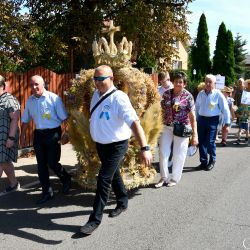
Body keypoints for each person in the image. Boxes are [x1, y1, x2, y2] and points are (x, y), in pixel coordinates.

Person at [79, 65, 152, 235]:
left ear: (111, 78)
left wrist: (145, 147)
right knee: (114, 175)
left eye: (100, 79)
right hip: (101, 145)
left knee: (104, 179)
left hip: (117, 145)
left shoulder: (119, 98)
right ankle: (123, 200)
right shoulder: (96, 95)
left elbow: (134, 123)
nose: (97, 82)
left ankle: (94, 220)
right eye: (95, 79)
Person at [20, 75, 71, 204]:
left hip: (53, 134)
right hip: (38, 135)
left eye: (36, 84)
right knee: (41, 165)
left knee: (53, 163)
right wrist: (22, 137)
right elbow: (25, 120)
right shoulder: (30, 101)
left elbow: (65, 118)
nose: (34, 87)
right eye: (31, 85)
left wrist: (66, 133)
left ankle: (66, 178)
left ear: (43, 84)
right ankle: (47, 192)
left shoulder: (54, 99)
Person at [155, 72, 198, 188]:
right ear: (172, 82)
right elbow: (160, 111)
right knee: (163, 152)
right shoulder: (166, 94)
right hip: (167, 126)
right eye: (176, 81)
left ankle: (174, 178)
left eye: (181, 82)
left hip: (182, 127)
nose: (178, 84)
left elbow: (193, 117)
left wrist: (195, 135)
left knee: (179, 154)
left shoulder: (188, 96)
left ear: (184, 84)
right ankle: (163, 177)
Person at [195, 74, 230, 171]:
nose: (207, 83)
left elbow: (225, 108)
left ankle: (212, 160)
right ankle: (203, 162)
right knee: (201, 142)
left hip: (213, 120)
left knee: (210, 142)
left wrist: (227, 123)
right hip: (201, 120)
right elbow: (197, 107)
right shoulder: (201, 93)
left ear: (214, 83)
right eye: (206, 81)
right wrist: (195, 120)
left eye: (210, 82)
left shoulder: (218, 94)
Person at [0, 75, 20, 193]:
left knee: (1, 162)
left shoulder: (9, 99)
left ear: (2, 86)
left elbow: (15, 118)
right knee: (6, 162)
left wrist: (11, 138)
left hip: (6, 137)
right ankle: (14, 184)